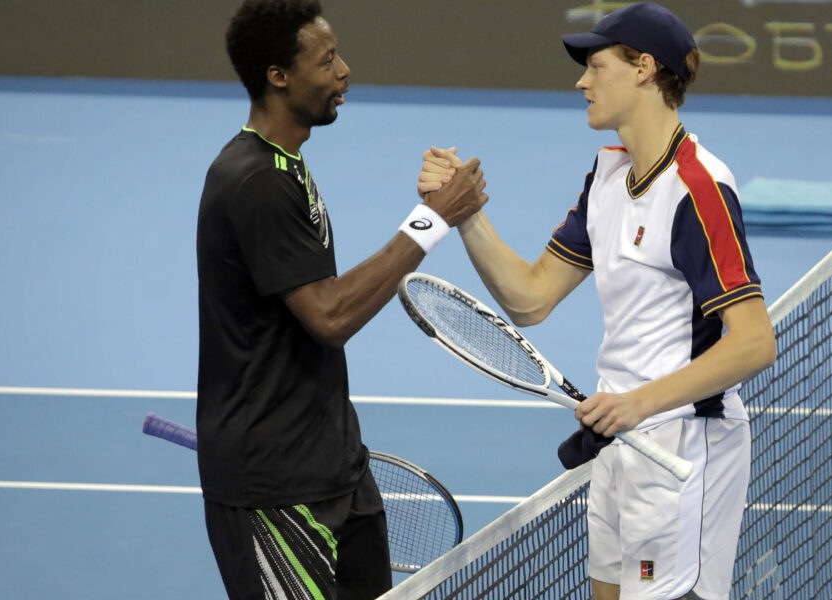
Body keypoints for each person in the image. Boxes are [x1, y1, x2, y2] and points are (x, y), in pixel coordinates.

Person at [417, 3, 776, 599]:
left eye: (596, 65)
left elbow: (755, 341)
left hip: (682, 445)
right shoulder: (610, 175)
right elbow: (530, 298)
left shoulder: (698, 190)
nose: (581, 81)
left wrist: (639, 403)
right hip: (621, 440)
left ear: (643, 69)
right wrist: (465, 213)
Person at [195, 1, 487, 598]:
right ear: (279, 76)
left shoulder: (287, 166)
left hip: (336, 466)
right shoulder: (254, 182)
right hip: (274, 490)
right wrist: (431, 222)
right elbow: (329, 316)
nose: (345, 71)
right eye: (327, 61)